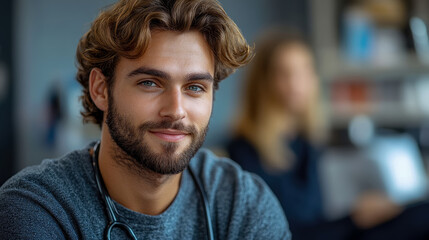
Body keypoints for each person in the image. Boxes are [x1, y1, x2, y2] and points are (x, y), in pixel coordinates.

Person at [0, 1, 291, 239]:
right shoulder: (37, 210)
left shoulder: (244, 205)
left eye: (194, 88)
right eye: (150, 83)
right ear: (101, 89)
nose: (176, 110)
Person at [227, 28, 429, 240]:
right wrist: (354, 219)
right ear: (263, 81)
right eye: (284, 73)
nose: (297, 83)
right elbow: (284, 232)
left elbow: (316, 221)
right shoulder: (244, 150)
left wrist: (358, 215)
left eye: (304, 71)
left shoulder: (305, 142)